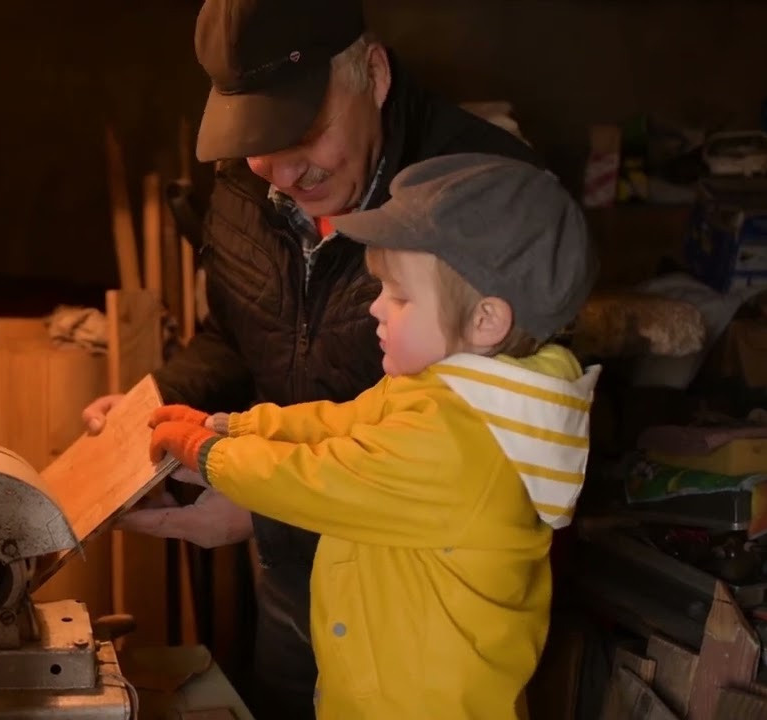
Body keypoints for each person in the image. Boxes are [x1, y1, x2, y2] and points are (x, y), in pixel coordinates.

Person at [81, 0, 540, 715]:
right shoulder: (244, 184)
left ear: (373, 75)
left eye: (302, 131)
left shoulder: (485, 197)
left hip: (425, 608)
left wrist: (263, 512)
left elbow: (489, 453)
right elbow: (238, 336)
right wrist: (157, 407)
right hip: (296, 587)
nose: (283, 171)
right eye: (255, 137)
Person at [146, 154, 601, 719]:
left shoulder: (464, 441)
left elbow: (319, 479)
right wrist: (228, 425)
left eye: (401, 297)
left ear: (486, 321)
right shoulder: (443, 392)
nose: (376, 307)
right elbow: (339, 422)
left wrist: (208, 454)